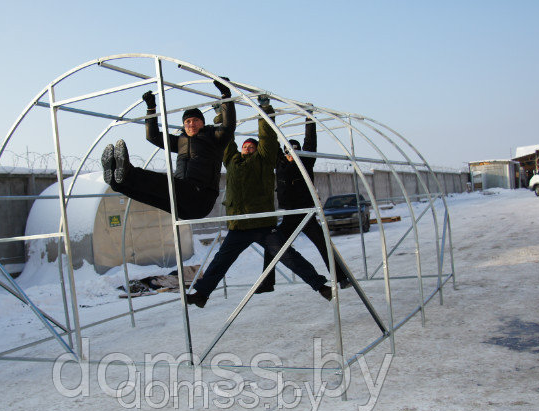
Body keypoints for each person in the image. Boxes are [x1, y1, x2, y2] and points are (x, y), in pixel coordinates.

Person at [185, 97, 332, 308]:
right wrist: (220, 116)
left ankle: (320, 286)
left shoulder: (263, 161)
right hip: (239, 226)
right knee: (220, 261)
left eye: (251, 146)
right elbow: (226, 140)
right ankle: (201, 295)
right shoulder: (232, 162)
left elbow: (267, 138)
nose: (247, 148)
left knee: (288, 256)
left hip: (263, 225)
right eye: (244, 146)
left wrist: (265, 109)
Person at [101, 79, 236, 219]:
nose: (191, 124)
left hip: (201, 197)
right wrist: (151, 109)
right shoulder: (180, 141)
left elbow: (228, 125)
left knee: (163, 183)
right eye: (187, 122)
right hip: (182, 204)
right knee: (150, 196)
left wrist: (226, 94)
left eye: (196, 120)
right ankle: (117, 183)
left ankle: (128, 172)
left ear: (203, 122)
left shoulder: (214, 138)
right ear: (184, 125)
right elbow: (152, 136)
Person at [256, 108, 351, 293]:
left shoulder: (305, 162)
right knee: (272, 246)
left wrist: (309, 118)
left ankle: (341, 278)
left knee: (324, 245)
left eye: (294, 151)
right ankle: (267, 282)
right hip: (290, 216)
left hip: (306, 214)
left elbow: (310, 142)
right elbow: (272, 142)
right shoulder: (280, 164)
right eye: (288, 151)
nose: (291, 154)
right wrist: (269, 118)